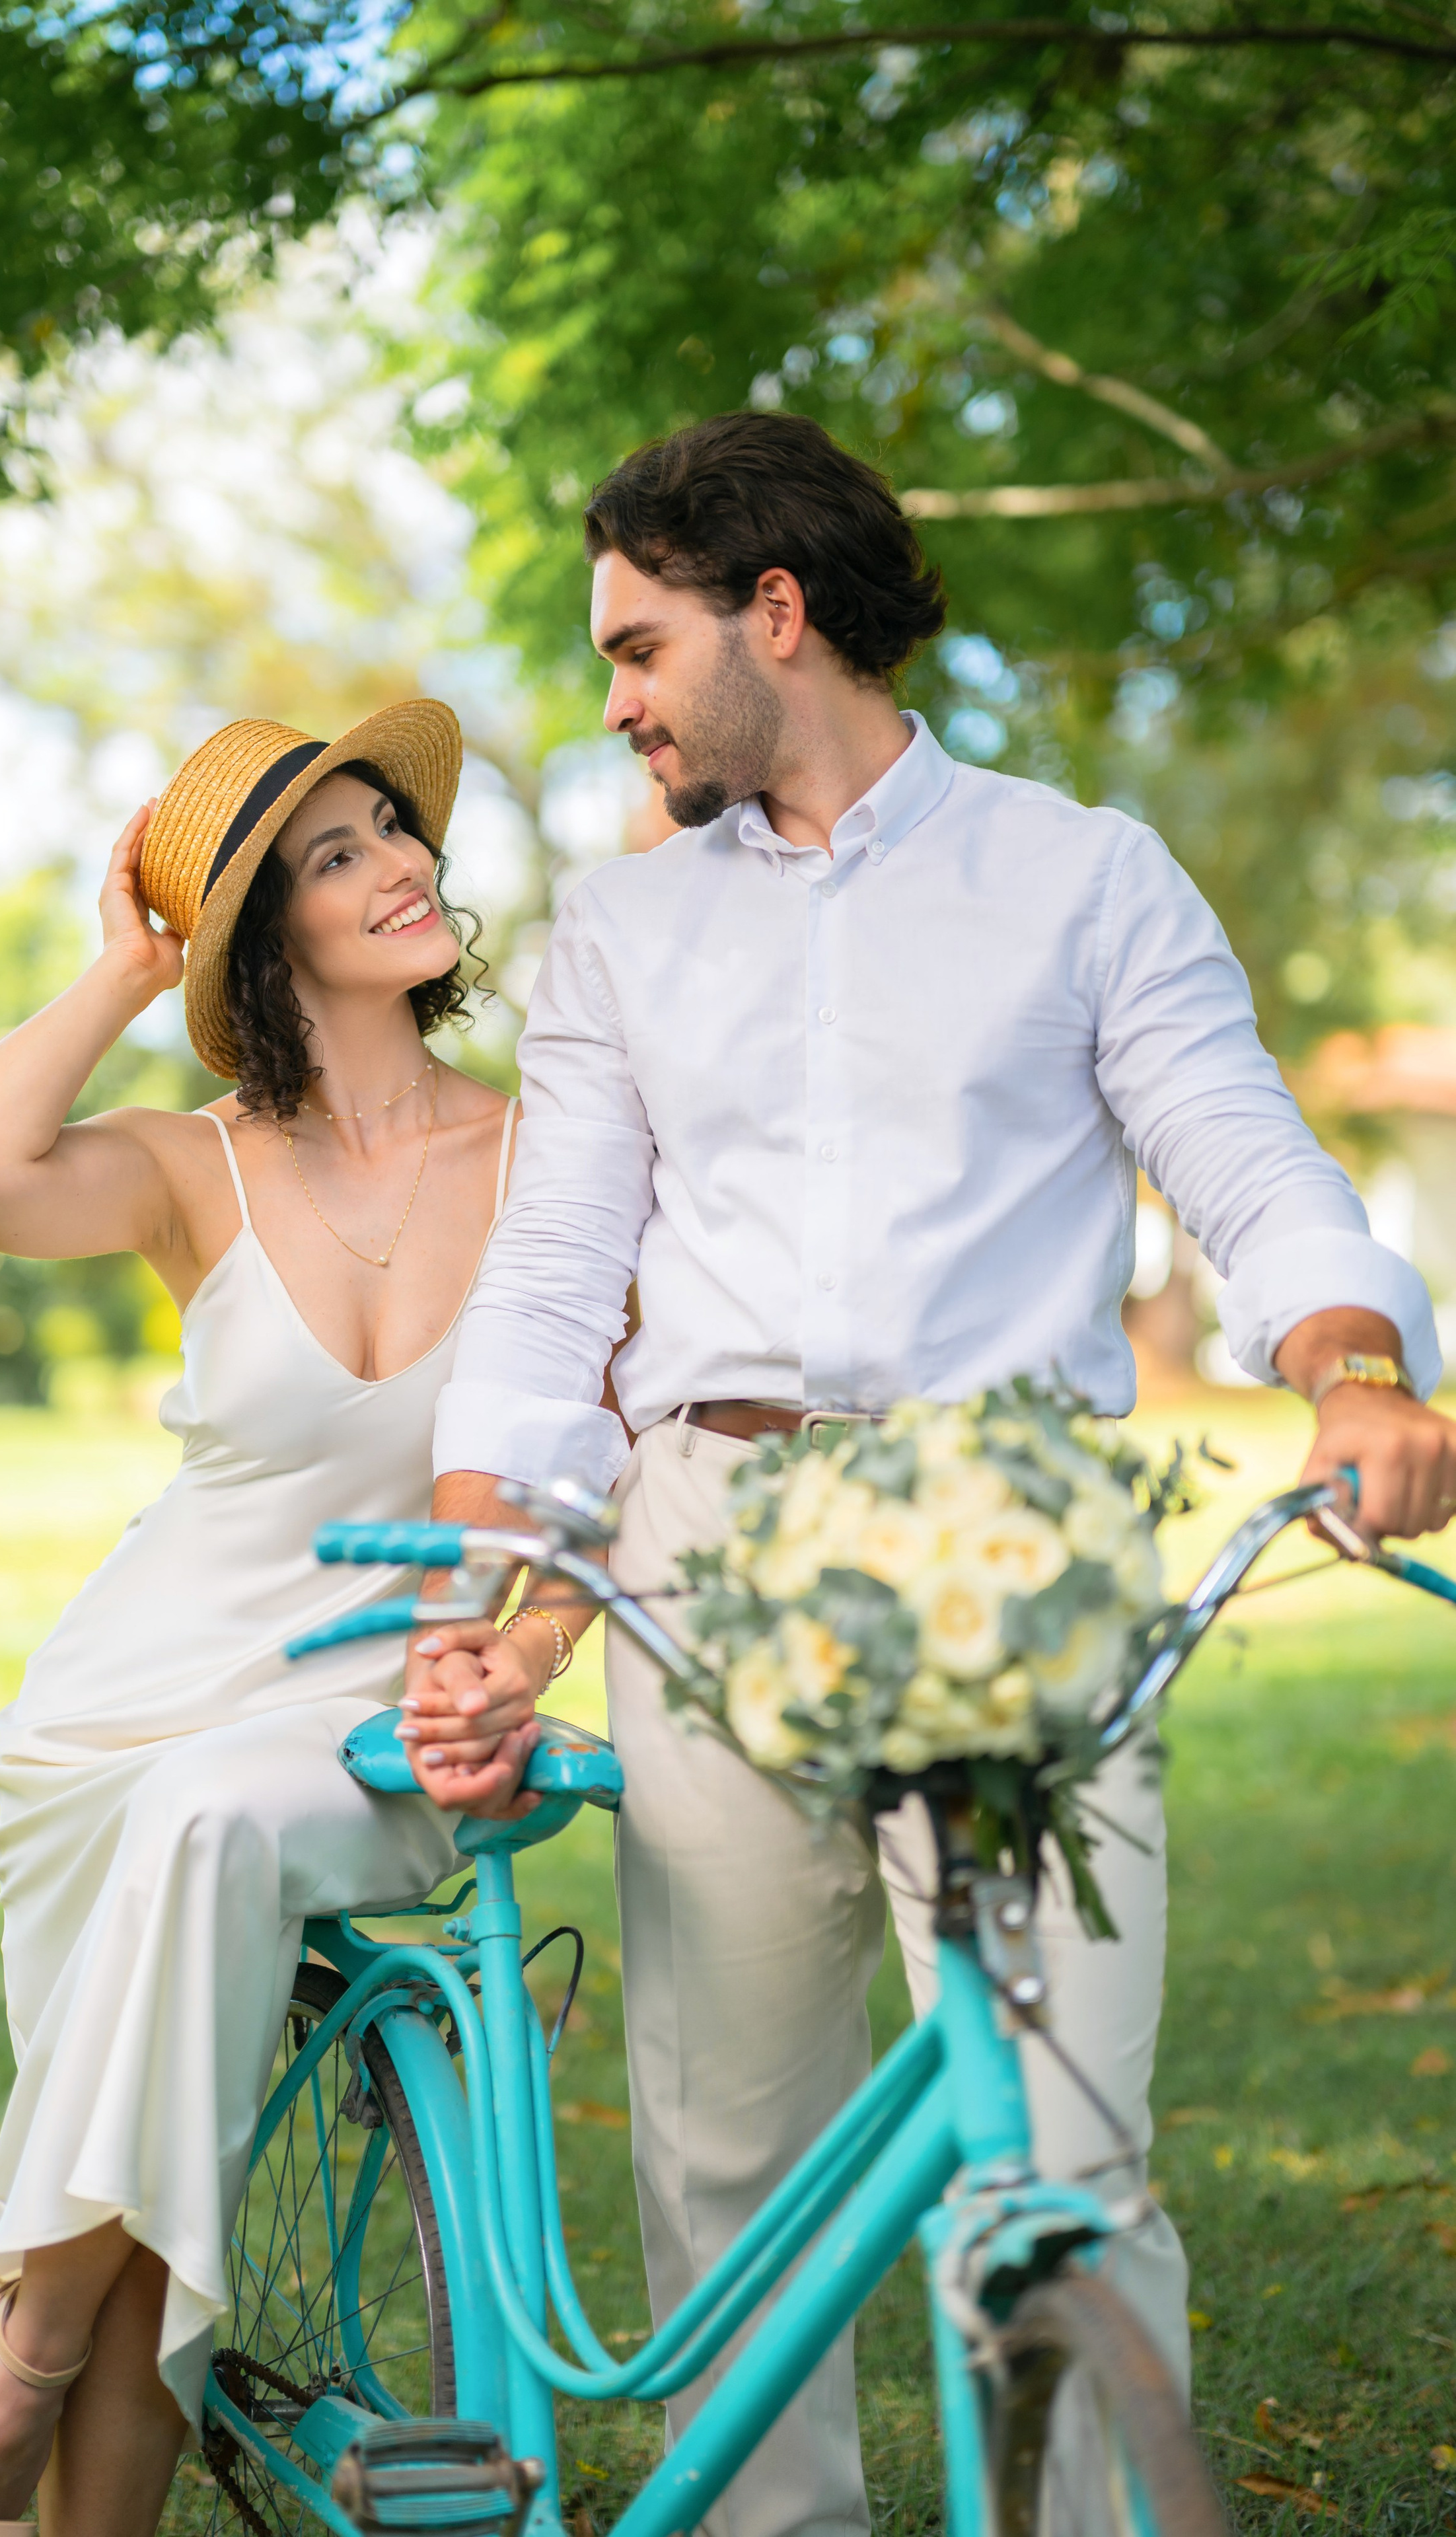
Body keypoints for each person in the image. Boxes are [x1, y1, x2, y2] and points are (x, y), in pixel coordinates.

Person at [402, 413, 1456, 2537]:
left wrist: (1354, 1368)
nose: (613, 697)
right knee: (731, 2152)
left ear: (771, 612)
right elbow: (549, 1288)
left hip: (1016, 1537)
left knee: (1061, 2150)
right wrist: (486, 1590)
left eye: (636, 641)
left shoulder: (1084, 875)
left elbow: (1246, 1161)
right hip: (704, 1544)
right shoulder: (619, 932)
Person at [0, 705, 549, 2537]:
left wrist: (525, 1643)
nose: (400, 861)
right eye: (334, 856)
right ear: (267, 937)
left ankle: (2, 2386)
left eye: (392, 830)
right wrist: (120, 971)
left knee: (144, 2107)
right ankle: (50, 2415)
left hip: (376, 1710)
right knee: (150, 2164)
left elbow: (601, 1445)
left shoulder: (545, 1154)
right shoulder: (198, 1163)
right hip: (120, 1720)